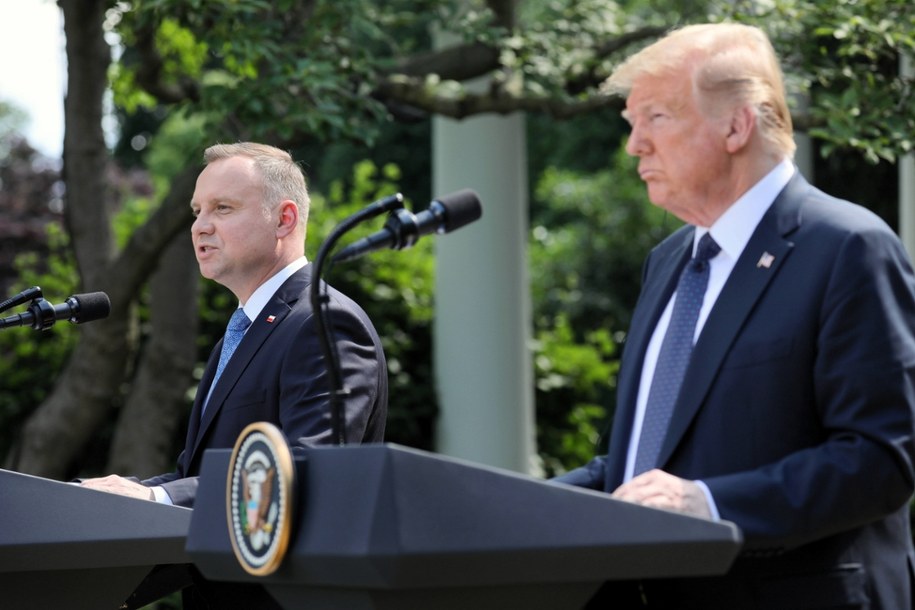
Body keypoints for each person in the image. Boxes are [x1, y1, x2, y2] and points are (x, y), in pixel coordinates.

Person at [553, 22, 915, 609]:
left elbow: (880, 458)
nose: (634, 145)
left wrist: (714, 506)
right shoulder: (668, 262)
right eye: (631, 124)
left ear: (737, 125)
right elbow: (643, 467)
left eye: (656, 119)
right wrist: (511, 503)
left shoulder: (848, 247)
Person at [81, 142, 387, 503]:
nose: (199, 227)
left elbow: (306, 466)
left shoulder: (323, 323)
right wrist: (127, 493)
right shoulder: (243, 330)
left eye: (222, 208)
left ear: (283, 219)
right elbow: (194, 477)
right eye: (197, 212)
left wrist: (160, 498)